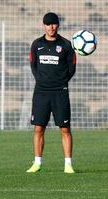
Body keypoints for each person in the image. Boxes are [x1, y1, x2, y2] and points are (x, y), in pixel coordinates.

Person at [26, 12, 77, 173]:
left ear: (58, 25)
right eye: (48, 24)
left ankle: (68, 164)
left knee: (65, 129)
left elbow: (71, 68)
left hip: (60, 92)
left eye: (54, 24)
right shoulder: (36, 44)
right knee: (38, 128)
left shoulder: (67, 45)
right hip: (41, 92)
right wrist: (42, 81)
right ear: (44, 25)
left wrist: (60, 82)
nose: (51, 27)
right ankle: (37, 163)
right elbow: (33, 65)